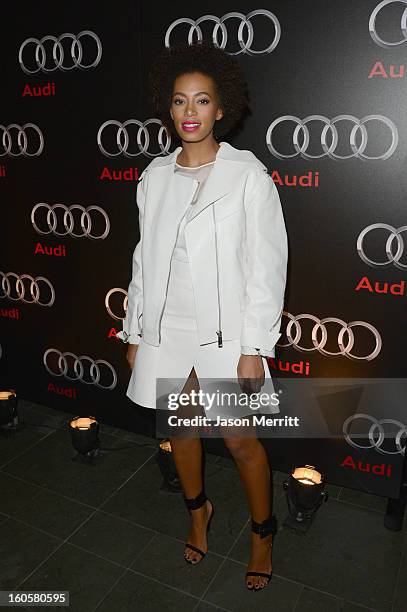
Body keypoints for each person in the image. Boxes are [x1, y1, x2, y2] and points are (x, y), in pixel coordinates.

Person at [117, 40, 288, 591]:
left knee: (239, 440)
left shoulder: (248, 177)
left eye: (202, 101)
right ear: (168, 109)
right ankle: (198, 512)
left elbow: (268, 268)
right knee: (181, 431)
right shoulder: (155, 176)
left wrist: (255, 346)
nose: (190, 112)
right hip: (167, 330)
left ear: (221, 108)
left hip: (227, 333)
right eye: (179, 101)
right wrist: (135, 329)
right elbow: (143, 257)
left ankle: (263, 532)